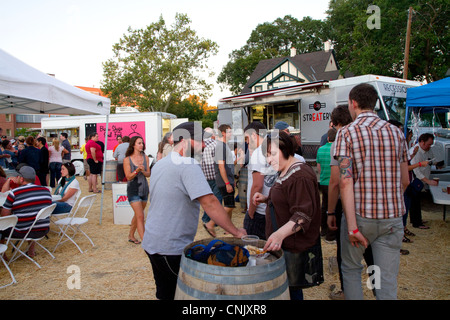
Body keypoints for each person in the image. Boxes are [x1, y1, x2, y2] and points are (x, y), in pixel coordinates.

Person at [142, 121, 246, 300]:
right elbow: (210, 203)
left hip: (153, 242)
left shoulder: (160, 164)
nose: (204, 145)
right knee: (182, 295)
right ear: (185, 140)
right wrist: (236, 232)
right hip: (170, 247)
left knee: (165, 293)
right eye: (200, 141)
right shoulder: (187, 163)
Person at [334, 83, 409, 300]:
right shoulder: (396, 133)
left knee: (350, 269)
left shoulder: (347, 133)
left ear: (353, 103)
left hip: (360, 217)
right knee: (386, 278)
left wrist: (352, 226)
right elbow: (405, 180)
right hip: (392, 217)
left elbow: (345, 182)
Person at [253, 131, 321, 300]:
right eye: (267, 155)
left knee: (292, 291)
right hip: (286, 246)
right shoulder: (286, 169)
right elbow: (289, 199)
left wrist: (279, 234)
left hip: (294, 247)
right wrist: (267, 199)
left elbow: (303, 214)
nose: (269, 160)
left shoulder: (300, 176)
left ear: (286, 149)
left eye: (273, 154)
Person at [0, 166, 52, 258]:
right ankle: (31, 250)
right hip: (43, 229)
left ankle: (2, 255)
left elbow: (5, 216)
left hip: (23, 231)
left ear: (21, 178)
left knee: (3, 225)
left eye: (18, 176)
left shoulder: (14, 193)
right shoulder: (46, 190)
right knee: (32, 219)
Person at [243, 121, 275, 240]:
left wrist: (251, 212)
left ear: (253, 135)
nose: (246, 142)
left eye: (247, 138)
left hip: (259, 211)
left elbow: (257, 185)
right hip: (272, 208)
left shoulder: (258, 152)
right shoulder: (275, 148)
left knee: (254, 248)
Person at [409, 132, 441, 229]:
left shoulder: (427, 149)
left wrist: (437, 164)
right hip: (415, 181)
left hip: (422, 181)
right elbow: (416, 171)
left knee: (418, 201)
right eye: (428, 144)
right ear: (422, 142)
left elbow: (431, 159)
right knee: (414, 201)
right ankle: (417, 223)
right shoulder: (415, 151)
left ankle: (417, 219)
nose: (429, 146)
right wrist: (428, 181)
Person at [123, 136, 150, 244]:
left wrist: (143, 171)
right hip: (133, 190)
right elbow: (128, 177)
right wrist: (137, 170)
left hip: (144, 189)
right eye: (139, 143)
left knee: (138, 214)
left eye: (142, 143)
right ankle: (145, 241)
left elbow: (148, 174)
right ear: (133, 145)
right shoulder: (127, 159)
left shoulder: (145, 157)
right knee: (140, 216)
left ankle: (131, 235)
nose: (141, 145)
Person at [200, 127, 222, 237]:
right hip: (216, 176)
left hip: (204, 177)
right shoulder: (216, 144)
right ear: (212, 135)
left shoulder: (200, 145)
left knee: (207, 200)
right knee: (217, 199)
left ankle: (205, 218)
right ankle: (215, 220)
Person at [316, 128, 337, 243]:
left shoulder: (320, 150)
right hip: (334, 183)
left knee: (323, 206)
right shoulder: (336, 149)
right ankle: (331, 235)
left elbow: (318, 168)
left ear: (328, 138)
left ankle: (323, 230)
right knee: (332, 208)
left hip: (323, 181)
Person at [214, 124, 235, 221]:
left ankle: (229, 228)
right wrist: (227, 183)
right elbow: (221, 166)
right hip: (224, 181)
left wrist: (232, 180)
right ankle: (211, 223)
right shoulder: (220, 146)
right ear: (223, 133)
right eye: (229, 132)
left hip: (228, 179)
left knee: (229, 205)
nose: (231, 133)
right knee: (230, 205)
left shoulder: (224, 145)